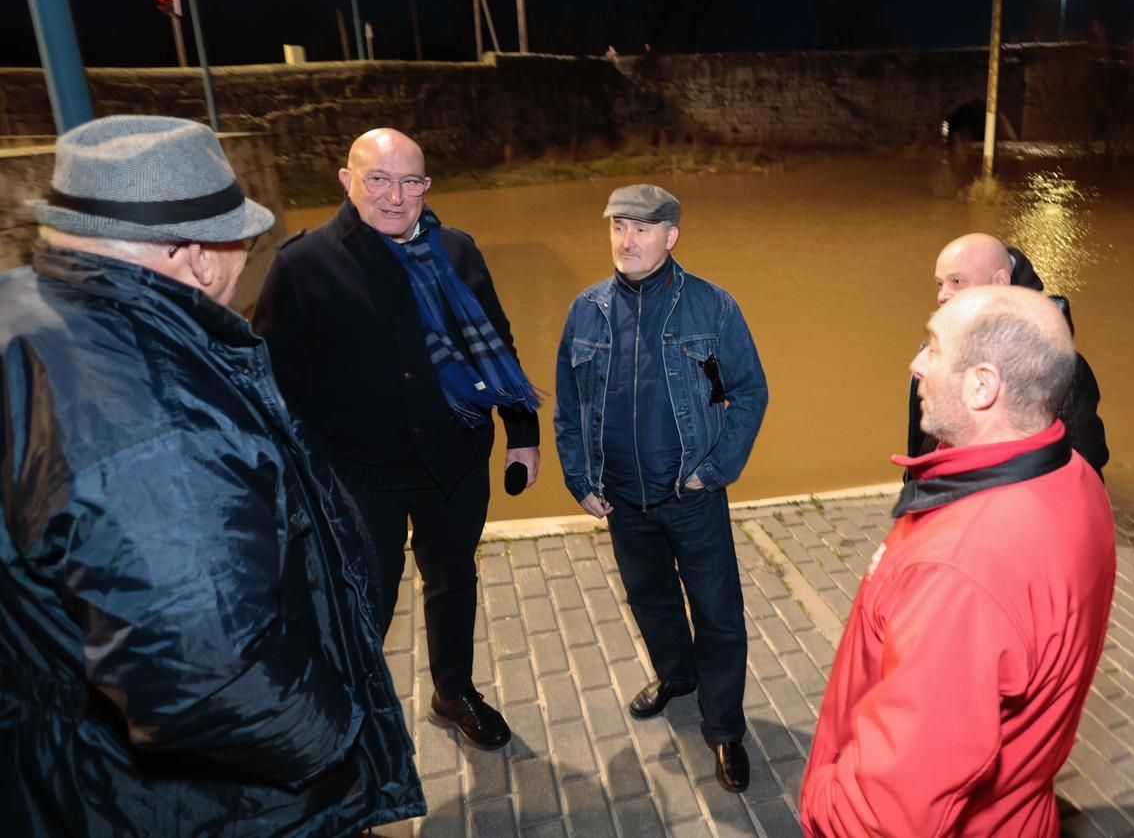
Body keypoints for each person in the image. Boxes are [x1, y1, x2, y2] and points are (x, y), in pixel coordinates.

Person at [0, 115, 424, 835]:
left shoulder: (20, 312)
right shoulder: (164, 419)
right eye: (243, 243)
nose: (243, 264)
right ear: (198, 257)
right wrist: (337, 742)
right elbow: (208, 678)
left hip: (58, 756)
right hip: (187, 804)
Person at [255, 128, 542, 752]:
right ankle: (349, 719)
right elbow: (277, 388)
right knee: (362, 602)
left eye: (410, 181)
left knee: (453, 580)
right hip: (359, 478)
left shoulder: (458, 251)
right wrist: (300, 480)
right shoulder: (303, 265)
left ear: (426, 186)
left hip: (455, 461)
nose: (394, 196)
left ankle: (454, 691)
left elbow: (497, 344)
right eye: (378, 179)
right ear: (346, 181)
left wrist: (523, 432)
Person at [802, 285, 1117, 838]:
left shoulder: (959, 571)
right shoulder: (1076, 478)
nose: (916, 364)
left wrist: (820, 797)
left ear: (981, 385)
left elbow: (888, 815)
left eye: (932, 346)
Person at [553, 184, 768, 793]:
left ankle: (723, 727)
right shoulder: (587, 311)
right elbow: (569, 408)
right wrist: (579, 478)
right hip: (622, 498)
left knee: (718, 614)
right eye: (618, 226)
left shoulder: (712, 307)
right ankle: (677, 676)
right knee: (651, 601)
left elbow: (748, 393)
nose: (627, 241)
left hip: (691, 494)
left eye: (642, 229)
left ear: (671, 236)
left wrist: (713, 471)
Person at [908, 232, 1109, 477]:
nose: (943, 295)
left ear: (1000, 282)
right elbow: (920, 443)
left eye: (957, 281)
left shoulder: (1057, 368)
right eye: (940, 284)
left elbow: (1083, 465)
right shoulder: (939, 349)